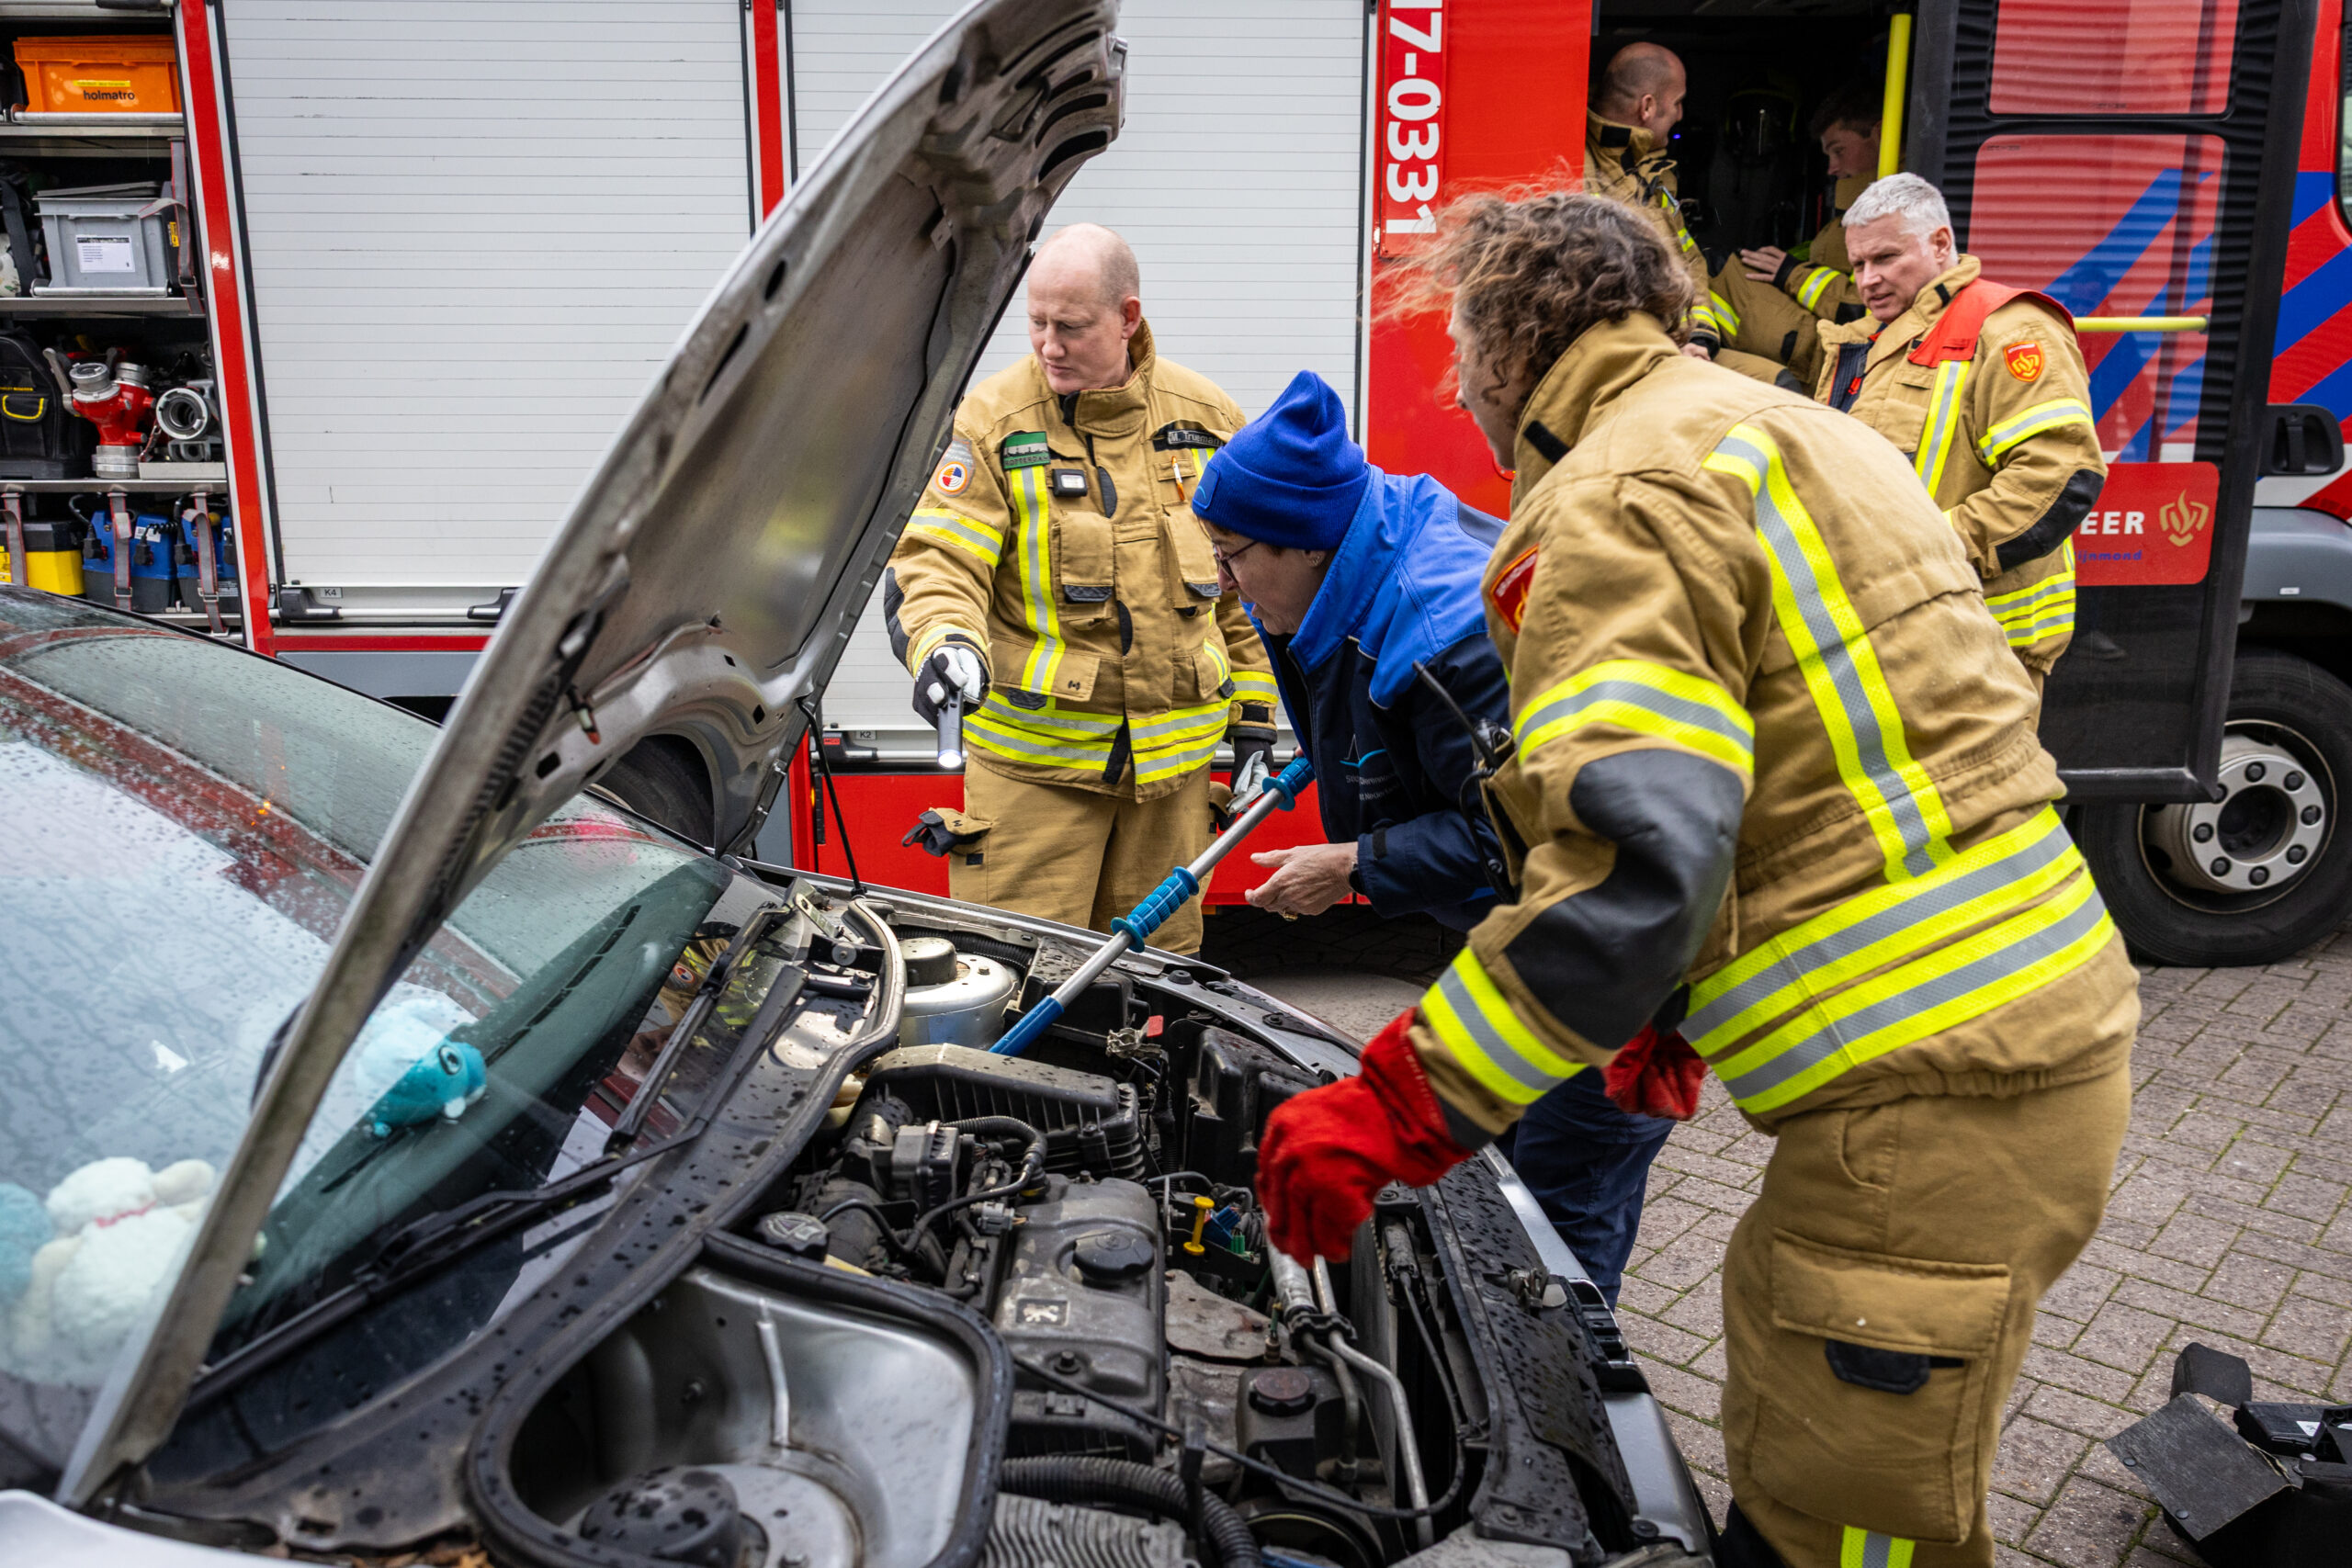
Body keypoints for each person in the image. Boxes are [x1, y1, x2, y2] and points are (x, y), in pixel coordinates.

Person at [1252, 190, 2138, 1568]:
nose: (1463, 395)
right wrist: (1663, 1000)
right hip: (2010, 1041)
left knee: (1836, 1533)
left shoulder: (1615, 494)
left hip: (1930, 1095)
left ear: (1509, 345)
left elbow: (1629, 859)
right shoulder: (1789, 427)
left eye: (1461, 356)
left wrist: (1399, 1107)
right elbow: (1794, 761)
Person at [1190, 367, 1676, 1303]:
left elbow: (1528, 841)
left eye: (1232, 555)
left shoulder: (1446, 635)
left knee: (1562, 1228)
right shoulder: (1353, 551)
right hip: (1525, 939)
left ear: (1306, 540)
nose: (1223, 582)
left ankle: (1572, 1365)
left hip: (1605, 963)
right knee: (1505, 1187)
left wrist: (1354, 863)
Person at [883, 223, 1277, 955]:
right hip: (1036, 782)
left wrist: (1255, 718)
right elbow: (939, 561)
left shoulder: (1208, 421)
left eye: (1069, 326)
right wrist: (945, 644)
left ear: (1128, 318)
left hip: (1172, 788)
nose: (1048, 346)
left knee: (1154, 983)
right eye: (1036, 323)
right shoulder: (993, 424)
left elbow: (1246, 594)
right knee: (1022, 982)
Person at [1817, 174, 2106, 689]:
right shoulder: (1877, 337)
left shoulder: (2012, 329)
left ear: (1940, 244)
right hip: (1893, 632)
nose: (1867, 280)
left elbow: (2060, 479)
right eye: (1858, 265)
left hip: (1981, 645)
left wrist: (1922, 555)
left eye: (1885, 258)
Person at [1584, 43, 1785, 385]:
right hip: (1623, 352)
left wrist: (1699, 335)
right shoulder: (1581, 172)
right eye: (1677, 102)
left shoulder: (1650, 169)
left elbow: (1689, 262)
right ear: (1647, 107)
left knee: (1779, 381)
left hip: (1674, 344)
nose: (1680, 115)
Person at [1701, 76, 1883, 389]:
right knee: (1718, 267)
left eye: (1839, 151)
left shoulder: (1893, 213)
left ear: (1879, 135)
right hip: (1823, 337)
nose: (1831, 168)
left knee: (1714, 273)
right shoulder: (1860, 204)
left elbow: (1865, 306)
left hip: (1830, 351)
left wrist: (1792, 273)